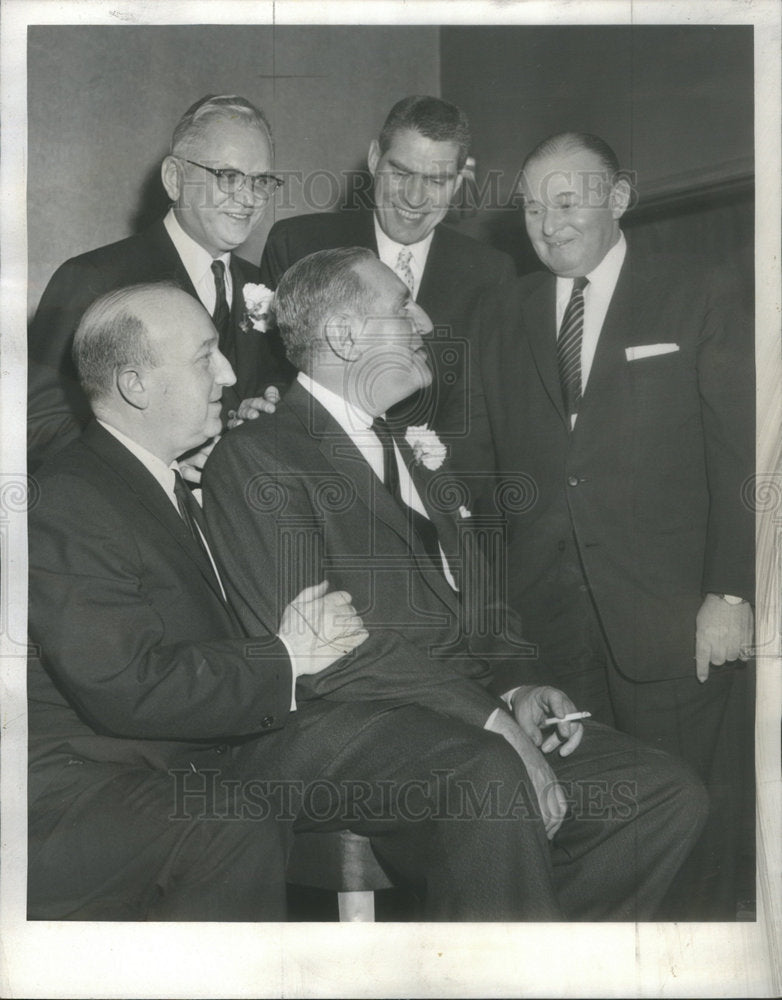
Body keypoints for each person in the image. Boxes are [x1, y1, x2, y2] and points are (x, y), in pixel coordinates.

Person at [29, 281, 639, 923]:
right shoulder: (72, 499)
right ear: (135, 385)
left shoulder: (170, 478)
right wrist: (287, 655)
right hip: (149, 769)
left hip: (245, 738)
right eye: (205, 356)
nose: (231, 372)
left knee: (606, 786)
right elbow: (129, 686)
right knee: (476, 768)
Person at [202, 246, 709, 921]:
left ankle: (529, 963)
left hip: (458, 716)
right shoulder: (260, 457)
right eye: (400, 307)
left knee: (661, 792)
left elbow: (484, 604)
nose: (424, 321)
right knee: (489, 776)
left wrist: (518, 687)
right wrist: (491, 720)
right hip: (335, 724)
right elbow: (330, 659)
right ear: (344, 335)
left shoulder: (416, 447)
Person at [457, 131, 755, 917]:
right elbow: (481, 487)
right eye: (530, 206)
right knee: (581, 827)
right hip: (549, 633)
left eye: (567, 201)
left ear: (618, 199)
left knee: (691, 821)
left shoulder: (704, 289)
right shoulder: (499, 312)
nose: (547, 223)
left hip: (671, 621)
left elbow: (743, 459)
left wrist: (730, 591)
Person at [28, 94, 288, 473]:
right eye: (229, 177)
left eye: (260, 181)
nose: (247, 198)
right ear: (174, 179)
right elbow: (39, 428)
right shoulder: (92, 278)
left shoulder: (264, 285)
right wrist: (163, 467)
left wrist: (255, 422)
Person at [255, 95, 516, 437]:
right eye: (402, 172)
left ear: (456, 183)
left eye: (436, 181)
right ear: (375, 159)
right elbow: (269, 376)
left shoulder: (491, 273)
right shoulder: (298, 244)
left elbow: (482, 416)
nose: (414, 197)